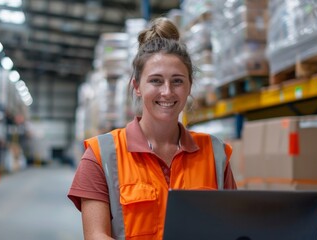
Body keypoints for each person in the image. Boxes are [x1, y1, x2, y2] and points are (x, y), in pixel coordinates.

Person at [67, 17, 237, 240]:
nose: (167, 92)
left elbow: (230, 228)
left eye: (177, 81)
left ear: (189, 86)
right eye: (156, 81)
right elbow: (96, 236)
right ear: (137, 86)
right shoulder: (101, 155)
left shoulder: (215, 153)